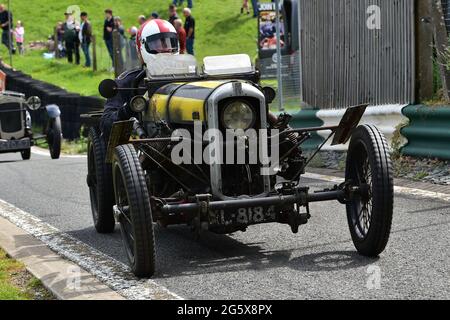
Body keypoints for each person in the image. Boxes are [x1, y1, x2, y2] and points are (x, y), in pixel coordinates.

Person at [101, 19, 179, 141]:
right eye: (158, 44)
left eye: (170, 43)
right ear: (141, 48)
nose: (166, 49)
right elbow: (106, 123)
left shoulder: (193, 77)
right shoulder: (127, 82)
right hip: (144, 147)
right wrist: (129, 109)